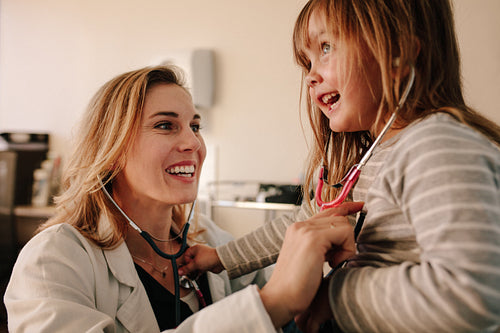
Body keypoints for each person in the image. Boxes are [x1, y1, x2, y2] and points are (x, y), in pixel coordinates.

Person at [179, 1, 500, 332]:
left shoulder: (437, 147)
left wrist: (335, 294)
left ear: (398, 54)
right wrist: (220, 257)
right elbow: (301, 224)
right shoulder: (365, 158)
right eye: (307, 62)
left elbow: (471, 297)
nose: (311, 76)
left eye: (326, 48)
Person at [3, 65, 363, 332]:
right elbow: (275, 300)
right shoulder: (54, 261)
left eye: (194, 126)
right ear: (110, 149)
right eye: (165, 125)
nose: (193, 143)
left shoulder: (209, 243)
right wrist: (271, 304)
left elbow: (295, 315)